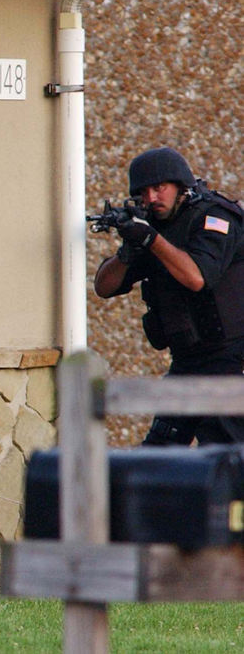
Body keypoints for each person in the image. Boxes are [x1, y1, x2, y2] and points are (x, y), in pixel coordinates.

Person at [94, 147, 244, 446]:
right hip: (187, 362)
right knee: (158, 454)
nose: (151, 198)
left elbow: (197, 277)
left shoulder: (215, 218)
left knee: (226, 458)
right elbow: (104, 286)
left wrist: (150, 238)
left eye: (159, 188)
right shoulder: (154, 230)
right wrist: (128, 249)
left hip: (230, 362)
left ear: (180, 187)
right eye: (144, 192)